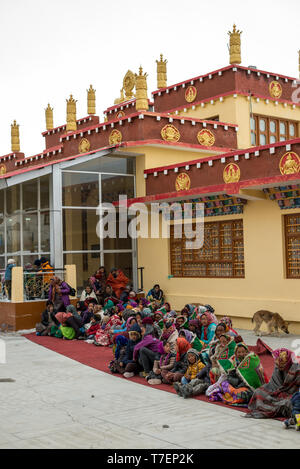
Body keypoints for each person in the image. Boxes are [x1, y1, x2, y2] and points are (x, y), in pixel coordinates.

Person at [246, 348, 300, 419]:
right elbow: (273, 384)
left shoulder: (297, 370)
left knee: (289, 403)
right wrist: (275, 394)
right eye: (277, 364)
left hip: (291, 394)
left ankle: (277, 407)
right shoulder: (278, 365)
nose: (279, 367)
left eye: (282, 365)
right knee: (258, 392)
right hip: (276, 391)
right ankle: (275, 406)